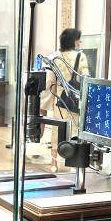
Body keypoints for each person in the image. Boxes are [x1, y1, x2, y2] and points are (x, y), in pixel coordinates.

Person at [40, 28, 90, 168]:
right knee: (75, 130)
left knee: (57, 130)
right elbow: (85, 78)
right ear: (73, 41)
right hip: (76, 100)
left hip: (60, 101)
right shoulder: (81, 56)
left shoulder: (55, 57)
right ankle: (74, 163)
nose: (80, 42)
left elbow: (50, 82)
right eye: (78, 39)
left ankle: (54, 163)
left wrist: (46, 103)